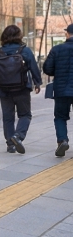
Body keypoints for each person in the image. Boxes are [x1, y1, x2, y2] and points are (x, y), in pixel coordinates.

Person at [0, 25, 42, 154]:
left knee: (8, 118)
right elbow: (34, 67)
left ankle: (10, 145)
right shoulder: (25, 50)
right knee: (25, 115)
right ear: (19, 36)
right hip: (22, 88)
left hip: (4, 90)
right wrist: (37, 83)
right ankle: (18, 136)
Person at [43, 24, 73, 157]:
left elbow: (47, 69)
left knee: (60, 117)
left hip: (61, 89)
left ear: (67, 34)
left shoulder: (57, 49)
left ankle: (62, 141)